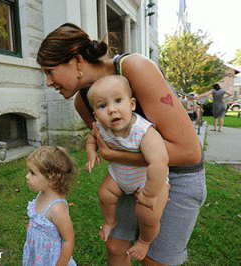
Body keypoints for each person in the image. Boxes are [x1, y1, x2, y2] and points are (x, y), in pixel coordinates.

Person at [37, 23, 207, 266]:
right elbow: (112, 147)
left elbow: (189, 152)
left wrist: (113, 155)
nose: (48, 82)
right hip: (132, 176)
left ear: (76, 61)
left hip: (178, 176)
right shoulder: (83, 102)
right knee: (116, 247)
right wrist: (107, 153)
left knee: (152, 260)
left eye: (50, 71)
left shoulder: (134, 68)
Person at [86, 75, 169, 261]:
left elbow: (159, 162)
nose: (111, 109)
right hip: (119, 175)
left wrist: (150, 193)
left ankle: (144, 241)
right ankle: (109, 221)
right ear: (95, 115)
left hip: (146, 180)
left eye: (117, 101)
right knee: (104, 194)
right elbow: (91, 137)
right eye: (102, 106)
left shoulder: (143, 131)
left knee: (147, 215)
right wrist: (91, 151)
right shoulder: (101, 127)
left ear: (132, 104)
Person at [22, 146, 78, 266]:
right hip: (36, 254)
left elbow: (69, 240)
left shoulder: (57, 208)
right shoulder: (41, 194)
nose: (27, 176)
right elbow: (37, 217)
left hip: (50, 259)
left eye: (32, 173)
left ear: (51, 179)